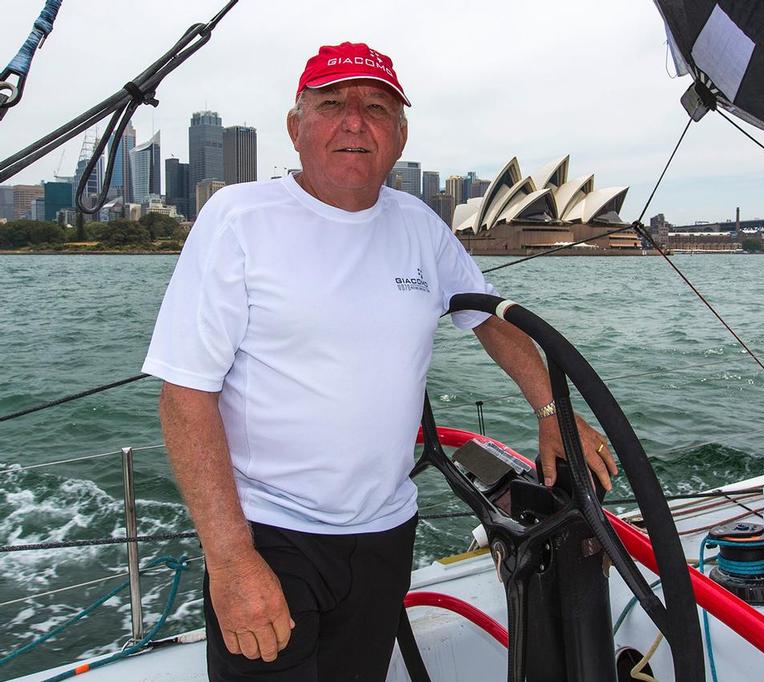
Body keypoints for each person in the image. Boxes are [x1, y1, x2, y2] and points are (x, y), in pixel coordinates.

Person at [142, 41, 617, 681]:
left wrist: (552, 411)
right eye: (332, 103)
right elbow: (185, 397)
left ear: (399, 133)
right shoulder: (238, 219)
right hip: (270, 535)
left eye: (376, 106)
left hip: (384, 535)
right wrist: (231, 562)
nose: (354, 121)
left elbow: (493, 321)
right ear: (295, 127)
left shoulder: (420, 225)